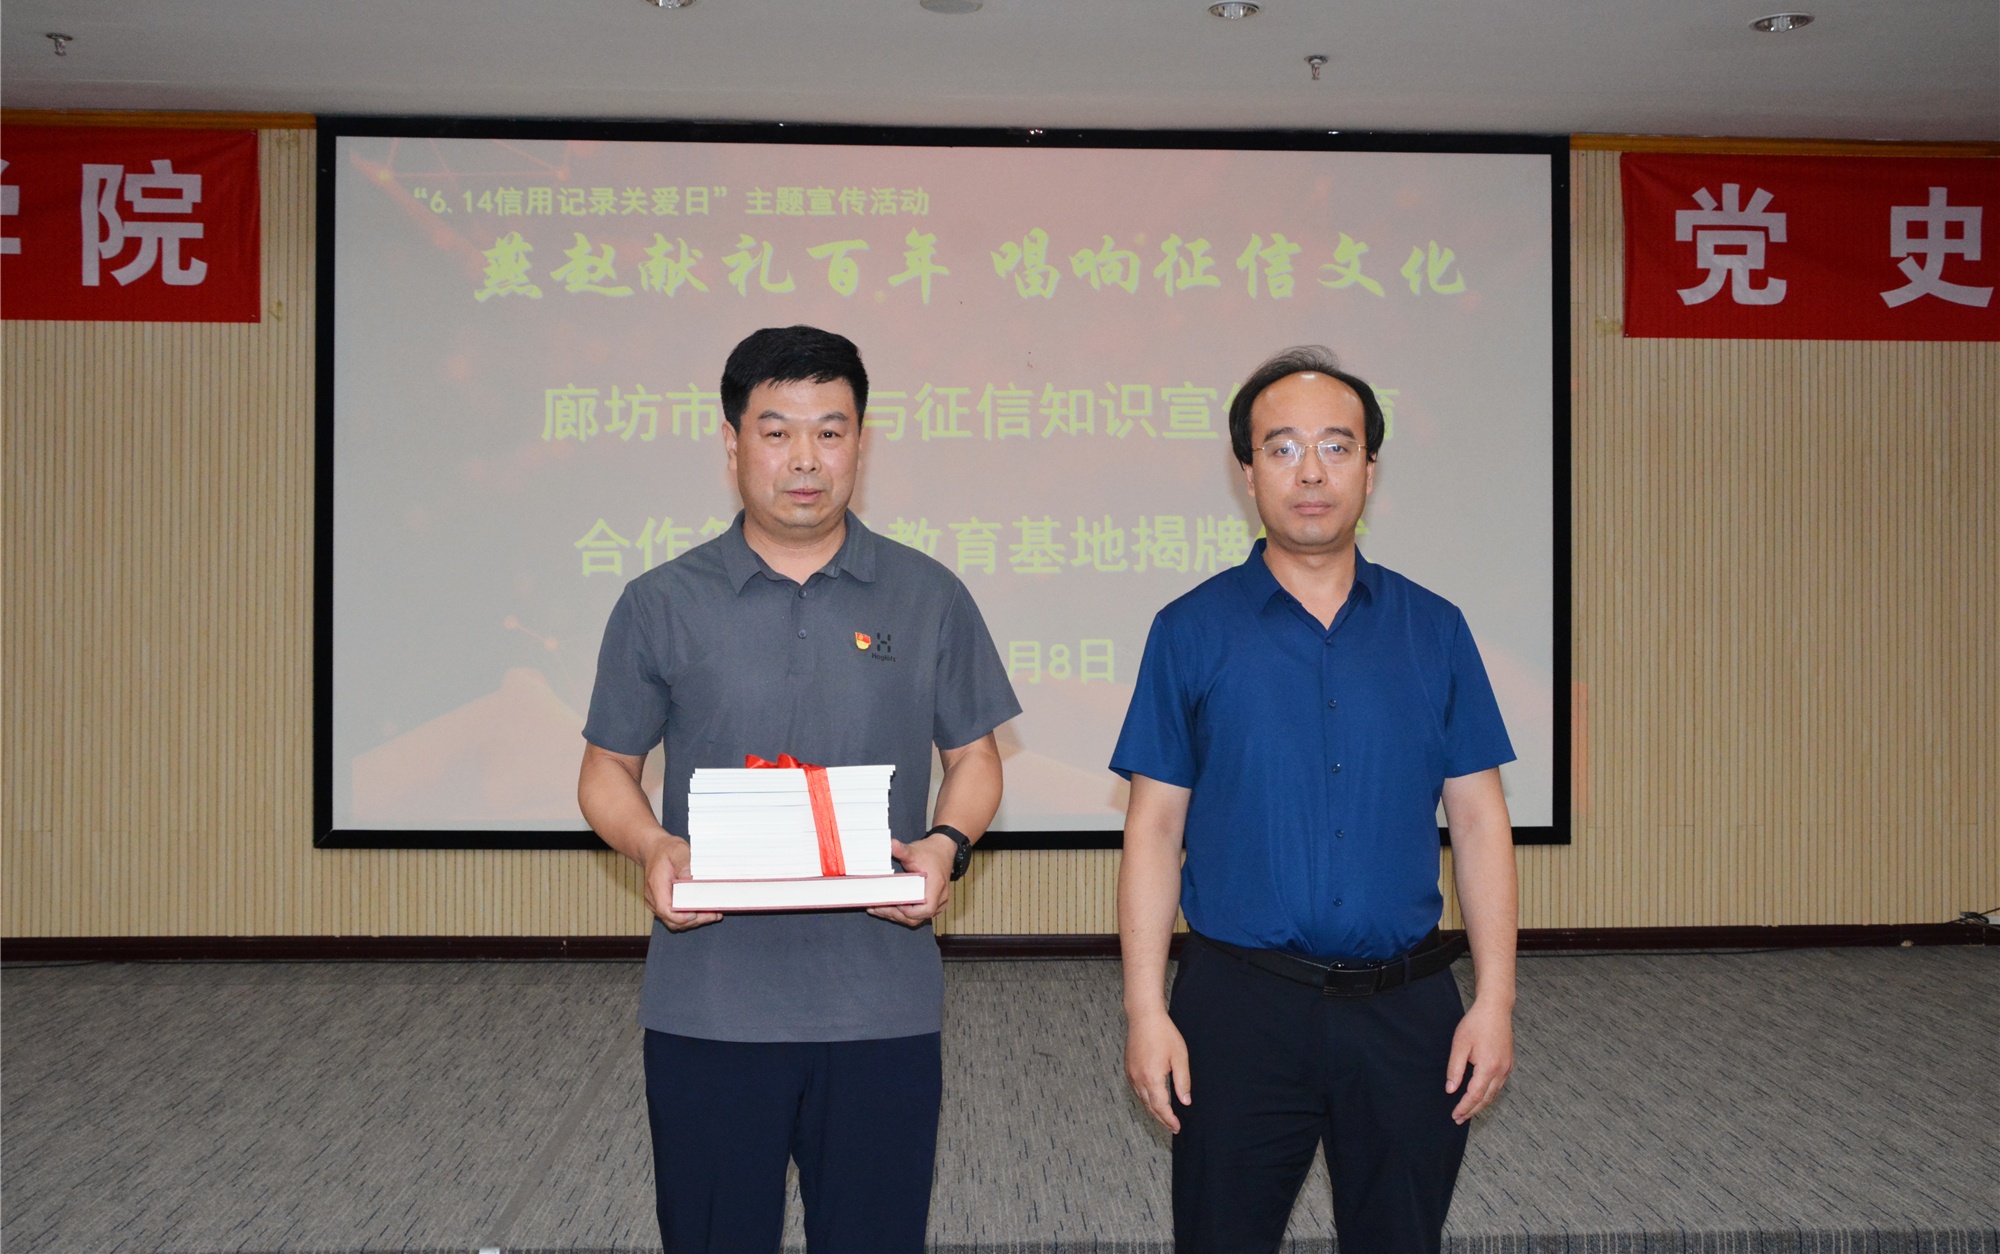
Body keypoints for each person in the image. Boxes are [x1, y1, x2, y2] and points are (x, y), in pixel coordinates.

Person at [577, 325, 1020, 1254]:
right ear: (732, 442)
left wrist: (945, 845)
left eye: (830, 430)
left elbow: (976, 758)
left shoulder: (928, 594)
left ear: (862, 441)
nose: (805, 459)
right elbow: (606, 772)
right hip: (709, 1004)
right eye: (777, 432)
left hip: (881, 1004)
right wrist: (654, 846)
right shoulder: (660, 602)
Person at [1112, 345, 1519, 1254]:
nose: (1311, 473)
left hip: (1407, 1007)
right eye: (1283, 447)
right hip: (1239, 1007)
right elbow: (1154, 830)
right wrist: (1146, 1011)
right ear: (1246, 470)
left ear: (1371, 470)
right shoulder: (1189, 631)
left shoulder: (1434, 629)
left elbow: (1480, 822)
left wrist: (1495, 1000)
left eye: (1337, 447)